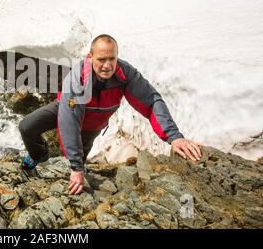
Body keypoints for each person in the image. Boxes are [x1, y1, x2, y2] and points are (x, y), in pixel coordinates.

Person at [19, 34, 202, 195]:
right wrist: (74, 166)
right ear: (90, 57)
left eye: (111, 59)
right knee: (27, 126)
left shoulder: (125, 74)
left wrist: (174, 136)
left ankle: (80, 169)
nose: (107, 65)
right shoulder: (78, 79)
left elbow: (151, 101)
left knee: (80, 166)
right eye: (101, 59)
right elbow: (69, 122)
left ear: (117, 57)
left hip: (92, 126)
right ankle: (39, 155)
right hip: (66, 109)